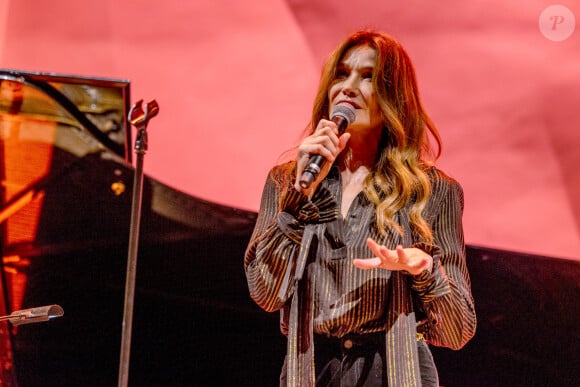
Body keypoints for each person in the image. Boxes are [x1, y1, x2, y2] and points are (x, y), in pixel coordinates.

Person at [244, 30, 476, 387]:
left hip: (394, 369)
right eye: (342, 74)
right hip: (311, 368)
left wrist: (426, 270)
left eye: (368, 77)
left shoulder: (434, 191)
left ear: (394, 96)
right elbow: (265, 293)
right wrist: (298, 202)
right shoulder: (287, 182)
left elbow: (458, 330)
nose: (348, 87)